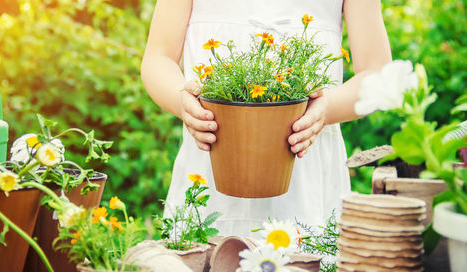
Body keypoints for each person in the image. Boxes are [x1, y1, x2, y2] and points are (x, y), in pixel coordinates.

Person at [141, 0, 392, 236]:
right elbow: (158, 58)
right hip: (209, 163)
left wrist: (326, 109)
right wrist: (183, 102)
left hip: (307, 173)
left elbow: (378, 72)